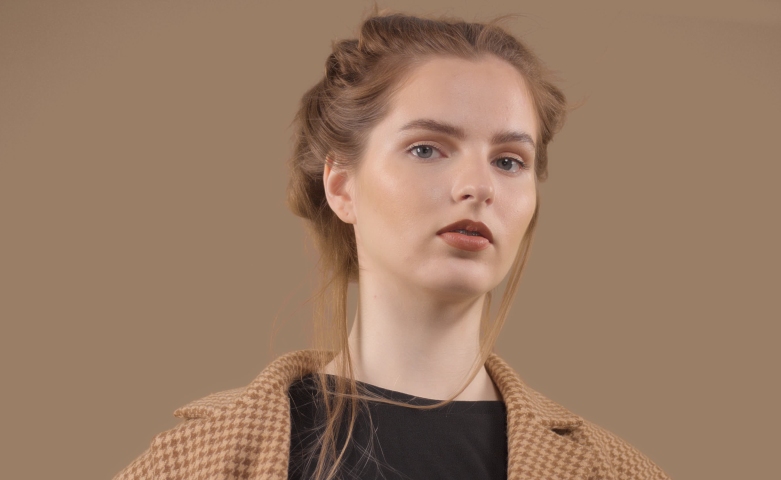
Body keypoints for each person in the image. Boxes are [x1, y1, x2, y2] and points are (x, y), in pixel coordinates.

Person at [113, 8, 671, 480]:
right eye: (428, 148)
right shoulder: (190, 462)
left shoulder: (614, 471)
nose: (477, 186)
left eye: (508, 160)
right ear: (342, 186)